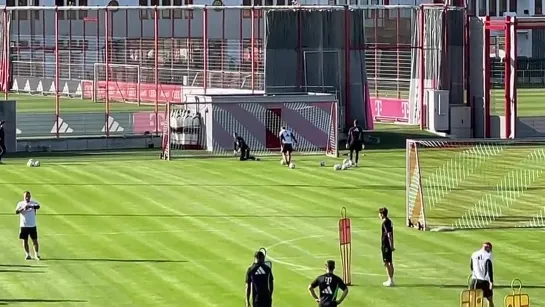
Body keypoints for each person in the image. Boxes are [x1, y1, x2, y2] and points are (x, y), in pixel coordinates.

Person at [15, 191, 41, 260]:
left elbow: (38, 206)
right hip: (24, 225)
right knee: (25, 240)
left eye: (28, 196)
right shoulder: (20, 203)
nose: (27, 198)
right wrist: (23, 208)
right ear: (24, 197)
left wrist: (30, 206)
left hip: (32, 225)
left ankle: (36, 254)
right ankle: (27, 254)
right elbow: (16, 211)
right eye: (26, 196)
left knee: (35, 240)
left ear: (30, 196)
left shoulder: (33, 203)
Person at [469, 242, 494, 307]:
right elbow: (489, 268)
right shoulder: (488, 255)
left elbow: (471, 266)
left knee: (472, 299)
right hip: (484, 281)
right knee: (489, 299)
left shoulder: (474, 254)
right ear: (488, 248)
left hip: (474, 280)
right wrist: (491, 281)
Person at [379, 207, 395, 287]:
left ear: (382, 214)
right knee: (390, 262)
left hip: (386, 244)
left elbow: (389, 234)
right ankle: (391, 279)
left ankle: (390, 279)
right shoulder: (390, 221)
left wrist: (390, 245)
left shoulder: (385, 223)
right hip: (388, 244)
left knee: (386, 262)